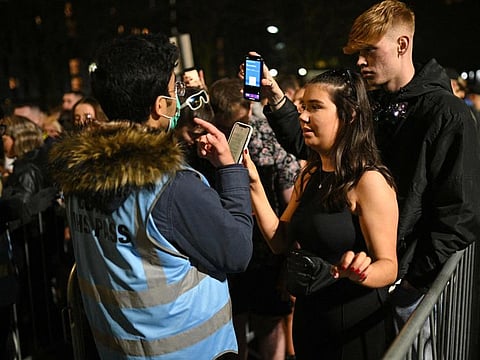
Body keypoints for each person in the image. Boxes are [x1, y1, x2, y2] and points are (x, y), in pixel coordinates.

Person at [248, 0, 480, 351]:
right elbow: (323, 147)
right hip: (365, 280)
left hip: (410, 287)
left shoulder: (446, 114)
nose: (359, 61)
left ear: (402, 45)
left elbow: (459, 213)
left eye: (369, 51)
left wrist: (408, 280)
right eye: (357, 52)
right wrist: (278, 102)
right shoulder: (376, 103)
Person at [48, 33, 254, 359]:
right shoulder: (171, 184)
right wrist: (231, 172)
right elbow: (237, 251)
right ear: (161, 106)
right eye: (175, 91)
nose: (178, 99)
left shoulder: (77, 176)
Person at [243, 69, 398, 359]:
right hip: (310, 320)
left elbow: (388, 267)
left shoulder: (368, 181)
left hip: (352, 325)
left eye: (315, 107)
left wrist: (360, 271)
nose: (302, 117)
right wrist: (253, 183)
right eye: (302, 107)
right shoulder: (310, 173)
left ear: (349, 115)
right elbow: (280, 241)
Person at [210, 77, 301, 360]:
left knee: (262, 323)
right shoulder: (204, 140)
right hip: (236, 251)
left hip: (260, 249)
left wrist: (289, 260)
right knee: (242, 324)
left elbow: (290, 199)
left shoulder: (209, 138)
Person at [0, 114, 58, 358]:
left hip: (30, 253)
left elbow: (20, 210)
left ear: (17, 137)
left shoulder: (27, 170)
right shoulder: (30, 164)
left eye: (4, 135)